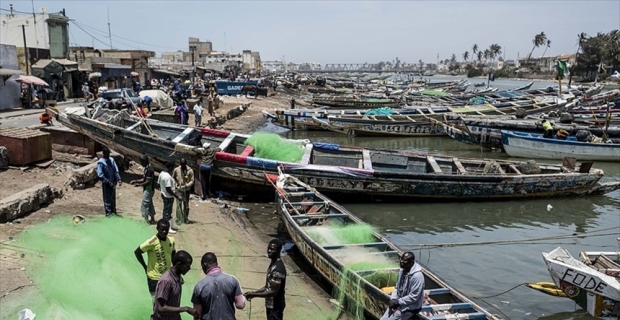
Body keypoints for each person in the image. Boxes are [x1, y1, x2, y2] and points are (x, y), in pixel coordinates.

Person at [191, 252, 246, 319]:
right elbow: (240, 305)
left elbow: (197, 314)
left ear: (204, 264)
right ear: (216, 263)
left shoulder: (199, 286)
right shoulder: (232, 280)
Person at [244, 239, 287, 320]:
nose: (269, 251)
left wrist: (254, 295)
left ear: (278, 251)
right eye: (268, 248)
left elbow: (272, 292)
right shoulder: (273, 264)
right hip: (270, 305)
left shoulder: (278, 269)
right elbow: (268, 287)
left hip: (275, 307)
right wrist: (254, 293)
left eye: (272, 249)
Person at [135, 219, 176, 297]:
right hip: (154, 278)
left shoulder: (171, 240)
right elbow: (137, 252)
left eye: (166, 230)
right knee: (156, 302)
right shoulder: (151, 242)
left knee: (167, 299)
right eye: (162, 230)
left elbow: (174, 255)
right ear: (157, 229)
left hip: (167, 276)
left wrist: (176, 274)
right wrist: (145, 267)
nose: (164, 232)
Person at [151, 251, 196, 320]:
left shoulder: (177, 277)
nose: (189, 268)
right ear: (179, 265)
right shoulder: (166, 281)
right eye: (187, 266)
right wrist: (186, 309)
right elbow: (161, 308)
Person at [380, 252, 424, 320]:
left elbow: (414, 297)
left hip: (410, 307)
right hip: (399, 303)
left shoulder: (417, 276)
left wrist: (398, 302)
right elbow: (397, 288)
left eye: (404, 261)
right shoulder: (402, 270)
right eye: (401, 259)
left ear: (411, 263)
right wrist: (393, 299)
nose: (401, 262)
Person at [130, 155, 156, 224]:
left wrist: (139, 185)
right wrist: (136, 181)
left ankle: (146, 221)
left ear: (145, 161)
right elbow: (144, 179)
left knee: (144, 205)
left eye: (141, 162)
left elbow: (148, 182)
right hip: (148, 190)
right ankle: (152, 219)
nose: (141, 164)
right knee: (149, 204)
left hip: (148, 190)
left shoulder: (149, 170)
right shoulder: (147, 168)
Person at [96, 147, 122, 216]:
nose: (108, 155)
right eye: (106, 154)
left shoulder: (111, 160)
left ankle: (114, 212)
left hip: (113, 182)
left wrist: (119, 179)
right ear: (103, 154)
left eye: (108, 154)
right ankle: (108, 214)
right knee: (107, 199)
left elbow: (115, 170)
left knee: (113, 198)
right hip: (106, 184)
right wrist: (108, 182)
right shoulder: (101, 162)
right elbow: (100, 175)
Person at [158, 161, 181, 233]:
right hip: (168, 196)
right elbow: (168, 189)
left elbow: (159, 183)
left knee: (169, 211)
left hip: (164, 194)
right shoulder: (167, 176)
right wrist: (176, 196)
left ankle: (172, 225)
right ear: (171, 168)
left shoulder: (161, 173)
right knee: (167, 213)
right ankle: (167, 228)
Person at [172, 158, 194, 225]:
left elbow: (192, 181)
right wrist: (175, 184)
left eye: (183, 164)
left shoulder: (190, 171)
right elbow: (173, 177)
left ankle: (185, 218)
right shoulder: (176, 169)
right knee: (179, 205)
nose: (182, 166)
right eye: (181, 164)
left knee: (186, 205)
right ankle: (179, 218)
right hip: (179, 190)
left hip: (186, 190)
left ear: (186, 164)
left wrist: (187, 185)